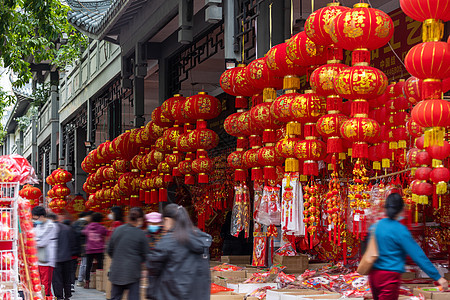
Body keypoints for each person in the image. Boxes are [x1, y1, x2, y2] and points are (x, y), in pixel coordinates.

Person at [368, 193, 449, 300]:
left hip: (374, 276)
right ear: (402, 209)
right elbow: (418, 256)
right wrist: (438, 277)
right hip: (389, 277)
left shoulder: (376, 226)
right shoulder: (400, 230)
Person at [147, 204, 211, 300]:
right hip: (197, 295)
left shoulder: (168, 240)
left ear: (167, 220)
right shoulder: (200, 239)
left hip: (171, 294)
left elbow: (153, 265)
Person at [108, 207, 149, 300]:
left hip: (117, 271)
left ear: (128, 217)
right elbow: (146, 254)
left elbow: (109, 250)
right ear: (140, 219)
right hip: (133, 272)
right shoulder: (141, 234)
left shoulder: (117, 230)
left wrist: (117, 258)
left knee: (115, 297)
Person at [32, 206, 59, 300]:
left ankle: (47, 297)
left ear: (42, 216)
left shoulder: (51, 226)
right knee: (39, 283)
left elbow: (42, 242)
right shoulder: (38, 226)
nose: (35, 220)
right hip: (38, 258)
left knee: (45, 283)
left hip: (46, 259)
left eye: (35, 218)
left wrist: (34, 241)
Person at [52, 217, 78, 300]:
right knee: (67, 278)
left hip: (56, 258)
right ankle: (67, 295)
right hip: (67, 257)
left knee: (57, 279)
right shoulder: (68, 228)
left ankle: (59, 296)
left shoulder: (52, 229)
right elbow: (74, 243)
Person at [82, 212, 108, 289]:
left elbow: (84, 233)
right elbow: (106, 233)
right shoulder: (102, 227)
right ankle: (100, 283)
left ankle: (87, 282)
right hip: (99, 249)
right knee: (100, 266)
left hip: (89, 249)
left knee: (88, 266)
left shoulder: (88, 227)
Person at [72, 211, 93, 286]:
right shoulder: (84, 224)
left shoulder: (75, 223)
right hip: (83, 246)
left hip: (77, 247)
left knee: (81, 264)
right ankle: (80, 280)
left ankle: (79, 280)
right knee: (84, 263)